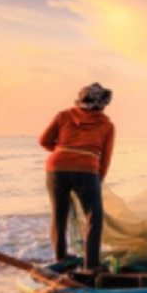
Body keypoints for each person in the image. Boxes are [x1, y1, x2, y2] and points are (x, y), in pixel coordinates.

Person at [39, 83, 115, 273]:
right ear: (103, 104)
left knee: (59, 213)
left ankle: (61, 257)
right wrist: (100, 177)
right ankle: (91, 264)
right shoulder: (107, 125)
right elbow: (105, 158)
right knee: (93, 215)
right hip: (86, 169)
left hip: (56, 167)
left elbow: (43, 141)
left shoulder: (63, 116)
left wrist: (62, 152)